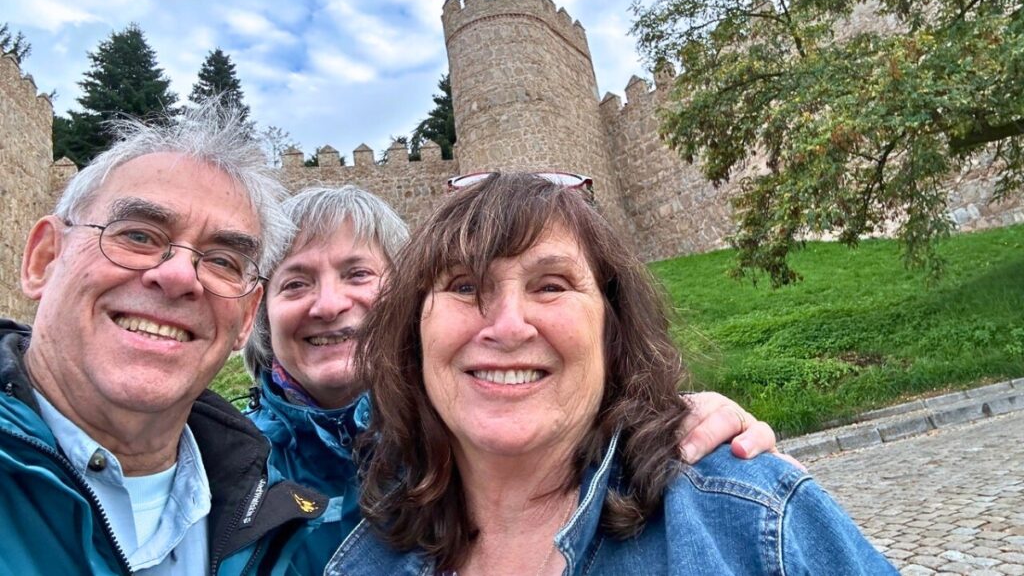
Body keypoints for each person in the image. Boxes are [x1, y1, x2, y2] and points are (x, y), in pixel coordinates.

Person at [327, 172, 897, 575]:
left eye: (551, 285)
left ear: (612, 327)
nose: (506, 326)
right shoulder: (366, 547)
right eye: (464, 286)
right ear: (413, 332)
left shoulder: (748, 517)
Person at [241, 185, 788, 570]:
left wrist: (676, 422)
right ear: (259, 315)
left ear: (403, 302)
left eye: (358, 273)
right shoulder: (222, 470)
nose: (328, 303)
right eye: (294, 284)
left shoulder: (480, 436)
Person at [0, 105, 326, 576]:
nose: (178, 276)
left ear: (246, 318)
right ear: (44, 260)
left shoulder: (277, 525)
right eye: (138, 235)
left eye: (222, 261)